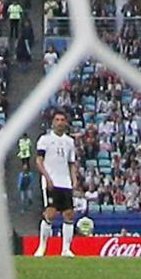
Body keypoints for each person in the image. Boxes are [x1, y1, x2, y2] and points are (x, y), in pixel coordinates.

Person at [35, 110, 82, 257]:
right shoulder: (45, 139)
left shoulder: (69, 141)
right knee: (50, 213)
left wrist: (74, 179)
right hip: (51, 181)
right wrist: (47, 178)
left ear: (66, 123)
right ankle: (42, 247)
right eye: (57, 120)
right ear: (53, 122)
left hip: (65, 182)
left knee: (68, 214)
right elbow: (39, 160)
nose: (60, 122)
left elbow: (71, 163)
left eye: (62, 120)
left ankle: (66, 249)